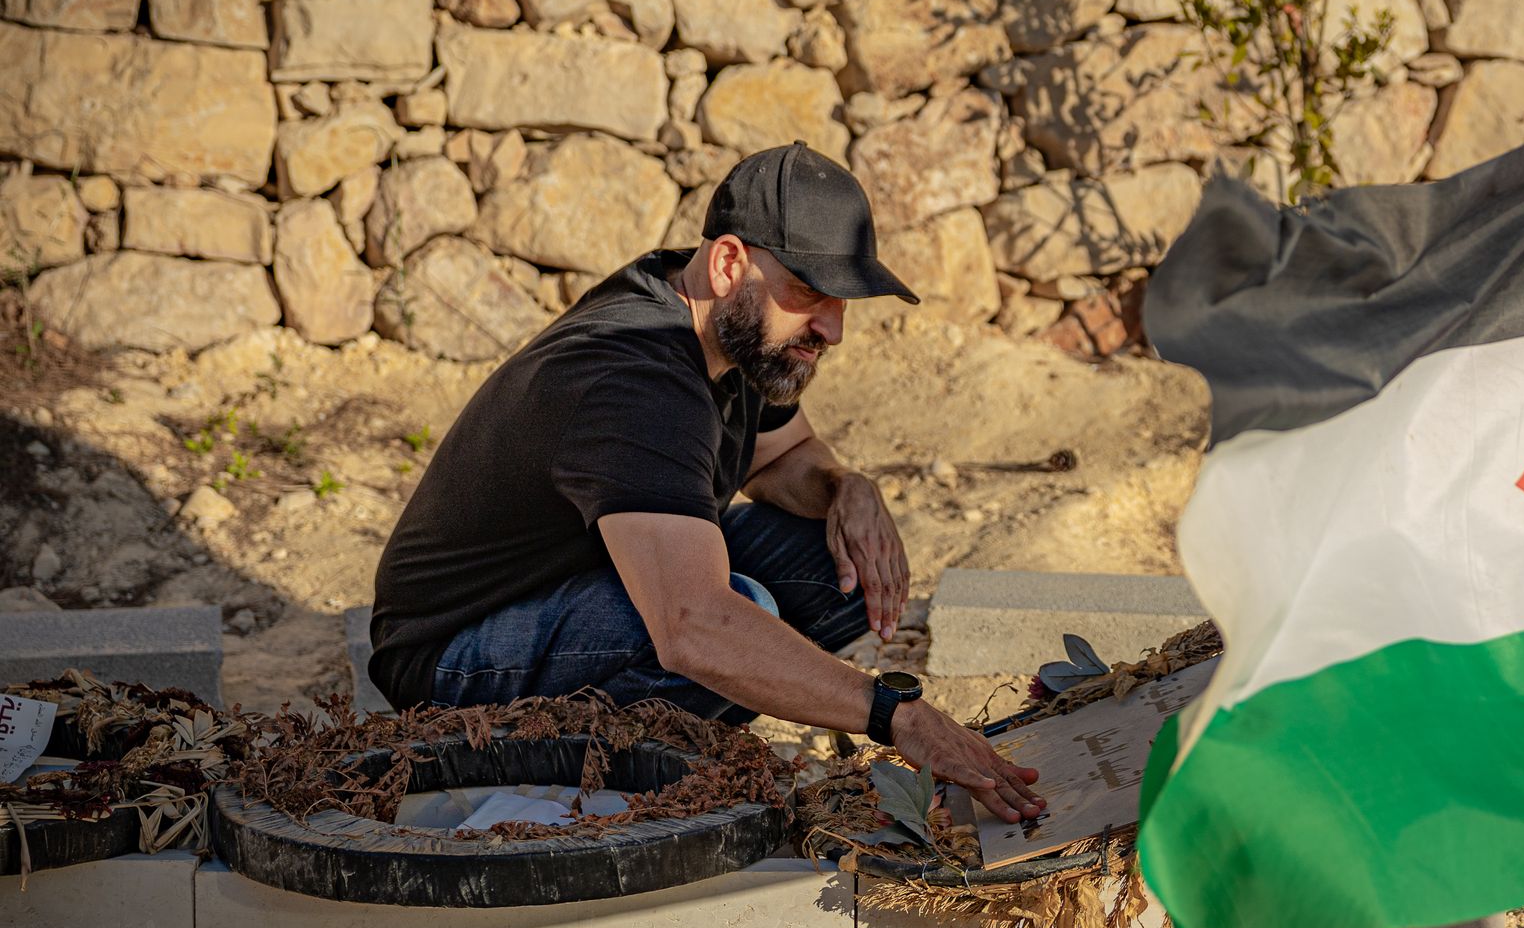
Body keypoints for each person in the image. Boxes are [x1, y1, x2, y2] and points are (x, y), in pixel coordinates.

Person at [368, 143, 1043, 822]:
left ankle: (677, 728)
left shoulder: (733, 328)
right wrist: (895, 716)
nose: (833, 328)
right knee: (737, 606)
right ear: (728, 263)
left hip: (576, 583)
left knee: (831, 555)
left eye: (842, 300)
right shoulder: (639, 382)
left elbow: (785, 454)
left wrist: (846, 487)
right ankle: (593, 774)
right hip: (447, 662)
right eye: (810, 292)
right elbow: (693, 624)